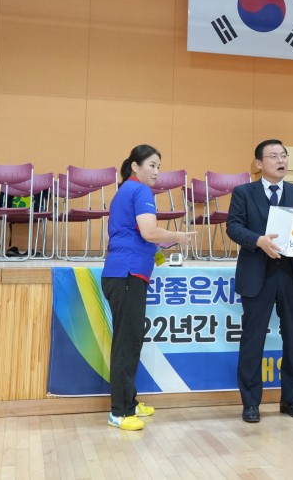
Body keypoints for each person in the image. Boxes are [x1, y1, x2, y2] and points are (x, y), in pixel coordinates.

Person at [226, 139, 293, 424]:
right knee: (253, 340)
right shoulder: (244, 192)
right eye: (273, 156)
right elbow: (233, 226)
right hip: (257, 274)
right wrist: (257, 240)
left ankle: (291, 400)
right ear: (259, 163)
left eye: (284, 155)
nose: (280, 160)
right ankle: (250, 403)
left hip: (292, 275)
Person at [103, 144, 195, 431]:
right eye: (151, 165)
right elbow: (149, 231)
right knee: (127, 344)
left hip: (124, 274)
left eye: (159, 167)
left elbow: (140, 236)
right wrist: (178, 236)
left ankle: (129, 403)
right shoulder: (141, 191)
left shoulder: (125, 191)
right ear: (135, 166)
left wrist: (161, 244)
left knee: (130, 341)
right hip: (127, 275)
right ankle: (119, 413)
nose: (156, 172)